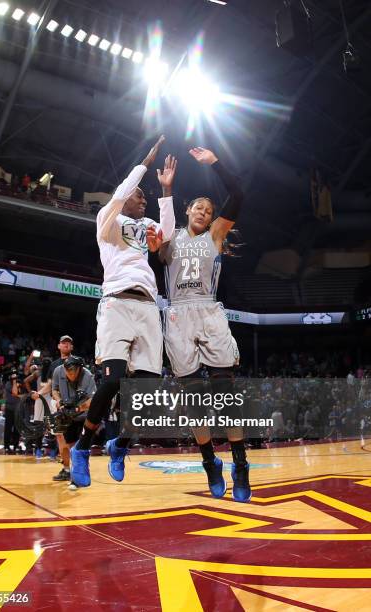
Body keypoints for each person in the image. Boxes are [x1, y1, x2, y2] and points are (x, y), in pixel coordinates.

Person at [70, 136, 176, 488]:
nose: (141, 197)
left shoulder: (145, 228)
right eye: (139, 194)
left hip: (148, 306)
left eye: (144, 196)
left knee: (148, 391)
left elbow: (169, 233)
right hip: (116, 302)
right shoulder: (108, 220)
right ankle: (83, 448)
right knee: (114, 380)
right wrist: (145, 162)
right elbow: (122, 191)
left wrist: (165, 192)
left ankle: (120, 444)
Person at [158, 146, 251, 502]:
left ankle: (240, 465)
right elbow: (160, 244)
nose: (205, 212)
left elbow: (239, 193)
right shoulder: (169, 239)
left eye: (210, 210)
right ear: (187, 211)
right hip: (178, 313)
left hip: (209, 312)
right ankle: (210, 461)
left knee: (225, 395)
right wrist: (166, 189)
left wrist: (215, 163)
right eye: (199, 207)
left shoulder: (215, 235)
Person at [50, 356, 96, 483]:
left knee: (79, 446)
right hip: (65, 413)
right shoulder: (58, 371)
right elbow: (54, 389)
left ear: (79, 370)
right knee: (66, 443)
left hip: (82, 415)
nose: (71, 375)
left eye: (73, 373)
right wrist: (59, 401)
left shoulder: (87, 376)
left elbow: (93, 400)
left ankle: (80, 472)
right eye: (68, 373)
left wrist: (78, 408)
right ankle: (66, 470)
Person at [31, 335, 74, 461]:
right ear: (59, 346)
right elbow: (51, 385)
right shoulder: (54, 364)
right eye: (63, 343)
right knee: (59, 434)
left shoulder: (77, 362)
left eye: (69, 343)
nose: (66, 345)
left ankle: (74, 463)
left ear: (72, 346)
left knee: (72, 435)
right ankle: (65, 463)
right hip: (57, 402)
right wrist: (39, 393)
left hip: (73, 402)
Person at [3, 370, 21, 454]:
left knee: (17, 428)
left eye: (16, 377)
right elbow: (15, 392)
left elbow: (20, 394)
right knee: (8, 428)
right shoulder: (8, 384)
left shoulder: (20, 383)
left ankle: (15, 445)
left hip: (18, 408)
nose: (15, 378)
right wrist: (14, 382)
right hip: (9, 408)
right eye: (13, 377)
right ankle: (6, 446)